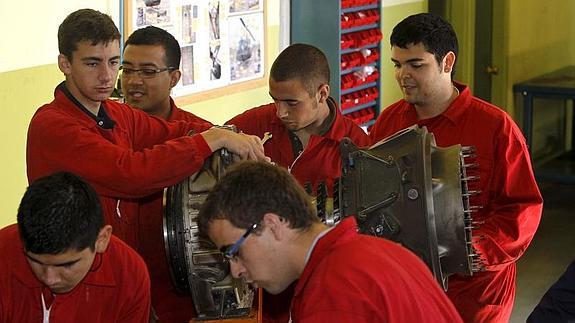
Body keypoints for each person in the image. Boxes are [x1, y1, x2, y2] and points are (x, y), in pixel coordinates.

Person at [26, 9, 266, 251]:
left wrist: (228, 134)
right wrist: (212, 139)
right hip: (70, 267)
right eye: (92, 63)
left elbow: (173, 130)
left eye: (113, 63)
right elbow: (130, 173)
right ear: (65, 64)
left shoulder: (115, 112)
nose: (106, 76)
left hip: (117, 263)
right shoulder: (53, 125)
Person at [369, 13, 543, 322]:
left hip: (475, 294)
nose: (403, 75)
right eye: (398, 64)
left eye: (416, 65)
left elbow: (521, 210)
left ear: (447, 62)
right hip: (409, 285)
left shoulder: (495, 127)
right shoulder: (388, 123)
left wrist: (470, 250)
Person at [197, 161, 463, 322]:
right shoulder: (380, 251)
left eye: (234, 252)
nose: (236, 271)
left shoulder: (333, 291)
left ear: (272, 225)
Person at [121, 26, 213, 322]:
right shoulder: (104, 136)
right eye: (127, 69)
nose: (134, 81)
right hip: (116, 295)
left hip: (181, 300)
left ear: (174, 77)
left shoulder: (204, 138)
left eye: (148, 72)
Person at [0, 172, 151, 322]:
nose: (49, 278)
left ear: (101, 240)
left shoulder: (129, 276)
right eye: (35, 261)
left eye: (67, 264)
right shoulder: (3, 253)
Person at [226, 43, 371, 197]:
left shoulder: (357, 147)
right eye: (275, 100)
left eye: (291, 103)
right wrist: (224, 138)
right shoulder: (259, 120)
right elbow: (207, 137)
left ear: (322, 94)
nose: (280, 113)